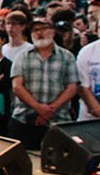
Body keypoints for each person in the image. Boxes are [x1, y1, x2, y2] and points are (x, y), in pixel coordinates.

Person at [9, 16, 80, 150]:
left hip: (58, 120)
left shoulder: (67, 56)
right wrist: (38, 108)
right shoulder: (22, 56)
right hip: (25, 119)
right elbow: (17, 87)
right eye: (35, 30)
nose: (39, 33)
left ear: (53, 32)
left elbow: (72, 87)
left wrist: (50, 109)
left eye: (44, 28)